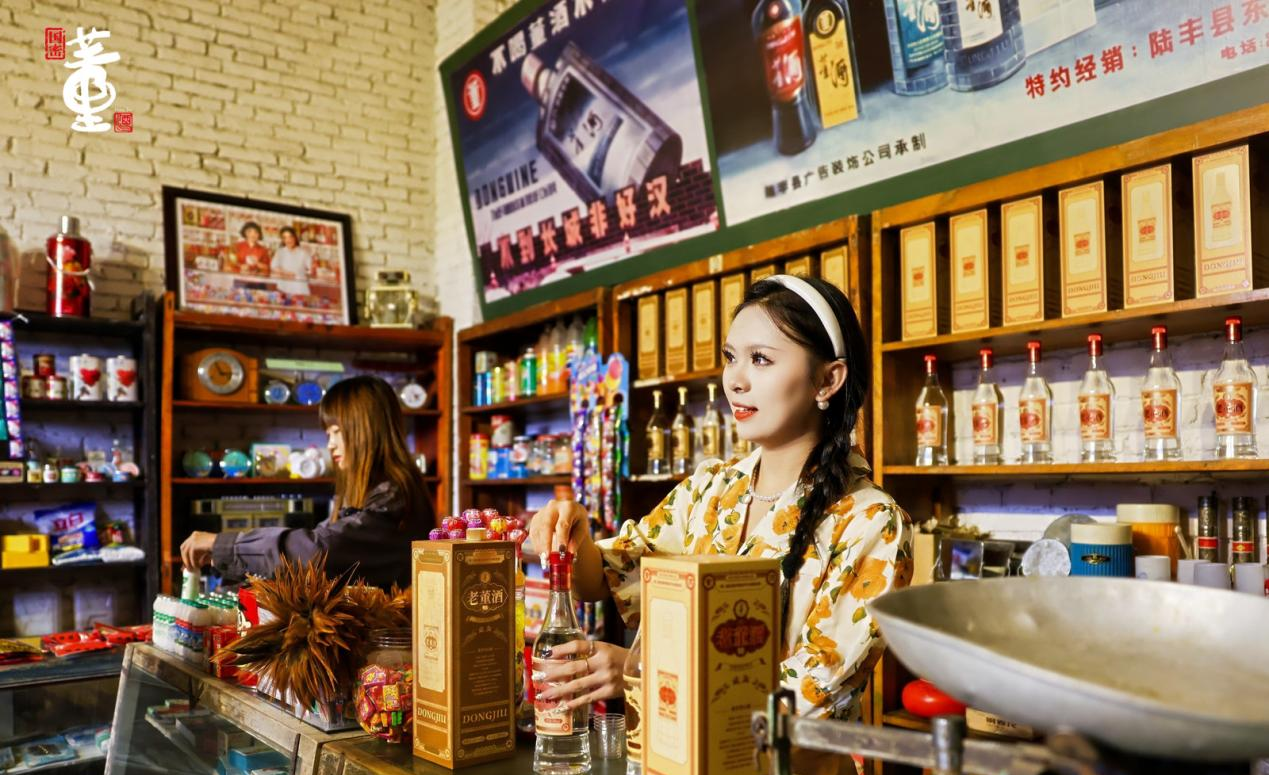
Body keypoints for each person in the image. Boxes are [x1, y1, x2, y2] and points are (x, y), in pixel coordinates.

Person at [528, 275, 913, 748]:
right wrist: (572, 533)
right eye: (731, 357)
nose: (735, 379)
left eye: (761, 359)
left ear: (828, 380)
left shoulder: (872, 522)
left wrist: (642, 672)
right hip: (678, 760)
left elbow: (815, 693)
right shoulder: (711, 488)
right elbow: (607, 577)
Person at [180, 375, 435, 589]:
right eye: (328, 434)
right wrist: (229, 561)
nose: (330, 444)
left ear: (366, 429)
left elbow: (317, 551)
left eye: (337, 432)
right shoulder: (367, 492)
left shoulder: (394, 495)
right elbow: (317, 541)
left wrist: (223, 544)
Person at [270, 226, 312, 297]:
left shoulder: (304, 252)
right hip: (283, 288)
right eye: (285, 237)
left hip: (300, 289)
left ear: (295, 237)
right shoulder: (280, 252)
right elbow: (273, 267)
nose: (288, 240)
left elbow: (311, 269)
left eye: (290, 236)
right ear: (283, 240)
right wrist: (285, 273)